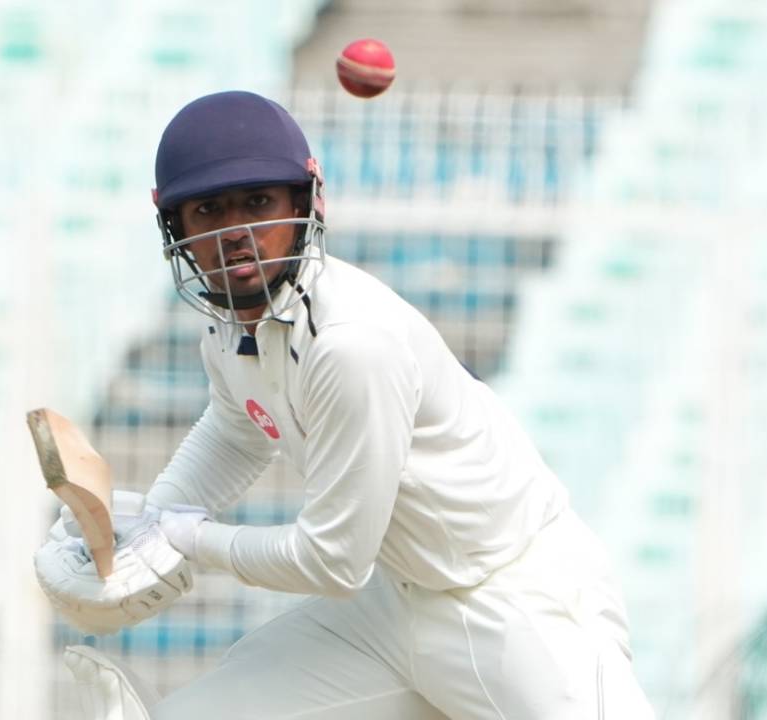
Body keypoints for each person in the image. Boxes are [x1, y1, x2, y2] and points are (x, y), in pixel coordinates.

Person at [34, 90, 654, 720]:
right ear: (176, 227)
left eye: (257, 203)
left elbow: (332, 560)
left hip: (514, 597)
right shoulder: (230, 326)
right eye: (209, 210)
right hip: (391, 609)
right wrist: (149, 524)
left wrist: (183, 539)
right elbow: (235, 430)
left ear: (307, 200)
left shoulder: (354, 346)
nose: (235, 235)